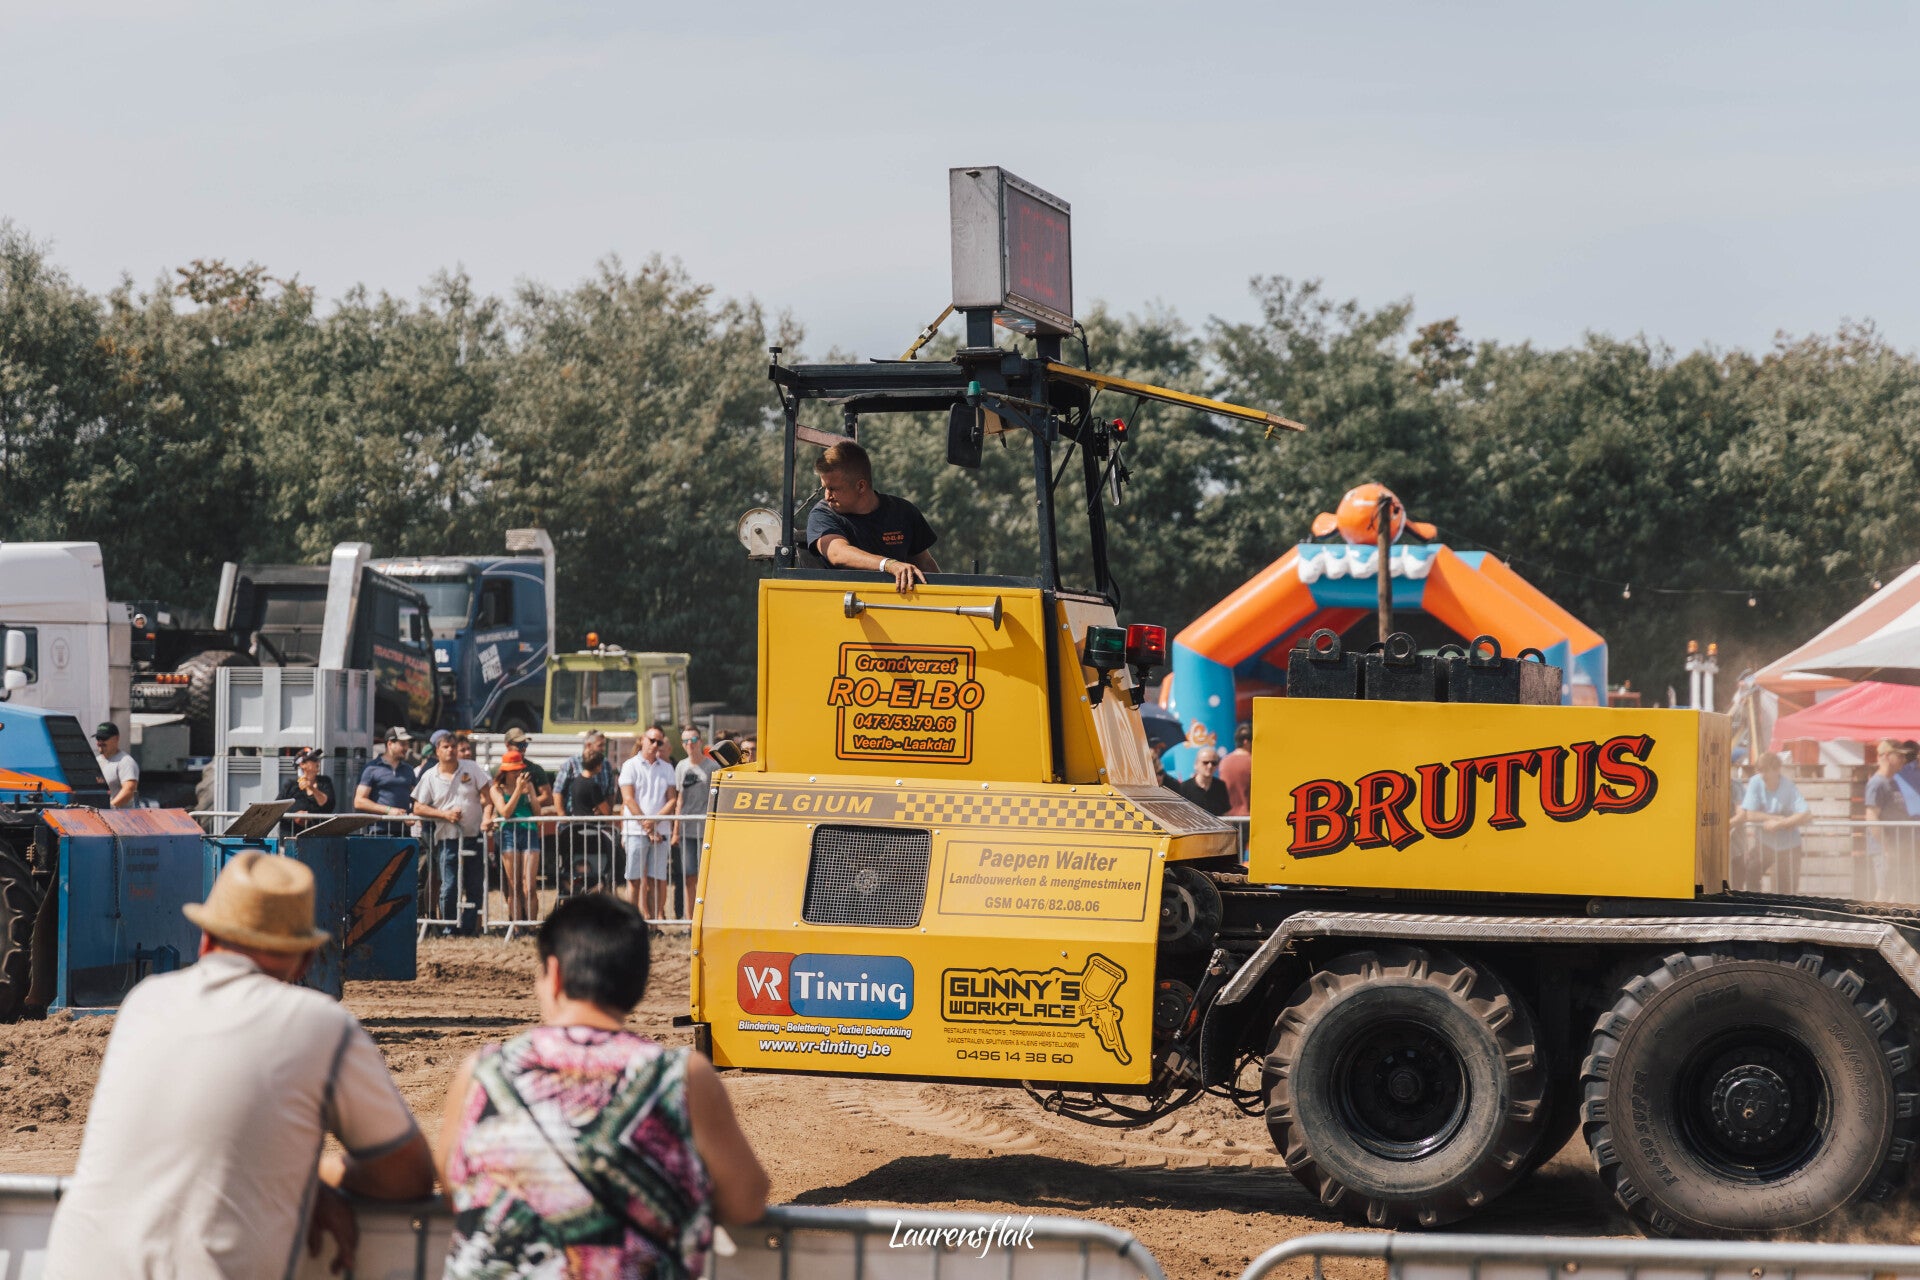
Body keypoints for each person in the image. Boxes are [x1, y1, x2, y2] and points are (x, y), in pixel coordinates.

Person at [43, 851, 434, 1278]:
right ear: (305, 959)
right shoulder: (323, 1026)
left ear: (206, 939)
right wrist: (308, 1178)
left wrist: (293, 1181)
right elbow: (406, 1175)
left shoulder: (144, 1002)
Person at [434, 893, 768, 1279]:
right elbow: (746, 1200)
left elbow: (454, 1184)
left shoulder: (482, 1072)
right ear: (638, 983)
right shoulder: (682, 1077)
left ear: (554, 974)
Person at [805, 439, 938, 594]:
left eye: (833, 488)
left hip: (898, 603)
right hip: (843, 604)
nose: (827, 496)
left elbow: (925, 564)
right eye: (824, 488)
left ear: (861, 486)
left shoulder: (904, 512)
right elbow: (837, 553)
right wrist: (888, 564)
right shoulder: (822, 514)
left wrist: (950, 599)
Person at [414, 729, 494, 934]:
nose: (450, 750)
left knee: (475, 886)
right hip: (447, 839)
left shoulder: (471, 768)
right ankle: (449, 928)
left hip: (473, 837)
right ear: (437, 751)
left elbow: (488, 795)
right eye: (445, 747)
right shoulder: (430, 776)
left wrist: (487, 817)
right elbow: (418, 807)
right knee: (449, 886)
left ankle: (468, 929)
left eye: (453, 747)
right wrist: (444, 815)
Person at [619, 728, 679, 919]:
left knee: (655, 880)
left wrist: (653, 821)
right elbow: (628, 799)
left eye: (659, 742)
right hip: (635, 832)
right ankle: (630, 924)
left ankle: (653, 924)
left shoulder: (667, 767)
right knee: (634, 880)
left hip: (660, 831)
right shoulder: (630, 765)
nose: (655, 745)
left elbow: (672, 799)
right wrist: (647, 825)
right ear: (642, 739)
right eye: (652, 740)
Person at [1733, 752, 1812, 893]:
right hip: (1765, 844)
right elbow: (1749, 814)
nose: (1763, 774)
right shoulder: (1755, 782)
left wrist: (1781, 824)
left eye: (1766, 770)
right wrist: (1777, 819)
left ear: (1777, 770)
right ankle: (1754, 904)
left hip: (1789, 845)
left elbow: (1805, 814)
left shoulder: (1788, 786)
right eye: (1760, 770)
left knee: (1786, 890)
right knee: (1751, 871)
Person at [489, 748, 543, 923]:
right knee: (513, 885)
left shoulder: (528, 786)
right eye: (513, 770)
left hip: (529, 831)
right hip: (508, 834)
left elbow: (538, 814)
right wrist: (518, 791)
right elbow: (505, 812)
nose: (517, 774)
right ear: (505, 771)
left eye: (519, 769)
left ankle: (531, 926)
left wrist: (531, 794)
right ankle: (517, 928)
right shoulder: (496, 789)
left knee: (530, 885)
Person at [674, 726, 719, 918]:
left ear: (700, 741)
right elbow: (679, 800)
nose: (689, 745)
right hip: (687, 829)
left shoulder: (713, 767)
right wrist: (676, 831)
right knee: (689, 875)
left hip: (706, 829)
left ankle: (706, 918)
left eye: (693, 740)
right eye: (685, 741)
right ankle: (690, 919)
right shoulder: (681, 766)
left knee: (706, 877)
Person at [1865, 739, 1912, 902]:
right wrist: (1886, 847)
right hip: (1886, 848)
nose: (1903, 760)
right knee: (1884, 892)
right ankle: (1873, 919)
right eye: (1899, 756)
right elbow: (1871, 817)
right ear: (1886, 756)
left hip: (1898, 846)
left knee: (1898, 891)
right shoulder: (1877, 783)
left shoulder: (1893, 782)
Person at [355, 726, 419, 835]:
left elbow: (416, 799)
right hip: (378, 832)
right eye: (402, 744)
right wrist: (389, 810)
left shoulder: (409, 770)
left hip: (404, 832)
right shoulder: (371, 768)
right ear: (390, 744)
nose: (406, 748)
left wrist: (413, 813)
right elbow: (359, 801)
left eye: (407, 744)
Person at [275, 746, 337, 832]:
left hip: (317, 835)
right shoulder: (290, 786)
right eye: (314, 759)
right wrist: (294, 816)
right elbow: (277, 809)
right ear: (302, 764)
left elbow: (328, 806)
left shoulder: (324, 782)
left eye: (317, 759)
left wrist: (312, 788)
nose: (318, 762)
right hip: (292, 836)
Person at [93, 721, 139, 808]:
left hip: (119, 815)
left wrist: (110, 808)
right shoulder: (96, 761)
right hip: (97, 814)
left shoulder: (125, 762)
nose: (100, 742)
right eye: (98, 739)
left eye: (104, 738)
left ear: (116, 738)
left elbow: (129, 790)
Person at [1177, 747, 1231, 816]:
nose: (1210, 766)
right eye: (1205, 762)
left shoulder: (1220, 786)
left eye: (1214, 763)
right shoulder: (1184, 788)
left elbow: (1226, 814)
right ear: (1196, 765)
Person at [1218, 724, 1252, 818]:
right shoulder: (1252, 762)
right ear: (1246, 742)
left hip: (1228, 816)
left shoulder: (1224, 761)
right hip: (1248, 816)